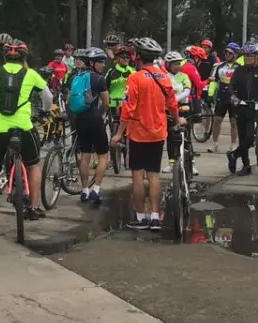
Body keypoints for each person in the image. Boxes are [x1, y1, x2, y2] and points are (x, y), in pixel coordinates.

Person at [0, 39, 51, 223]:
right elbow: (47, 97)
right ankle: (33, 207)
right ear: (24, 58)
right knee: (33, 164)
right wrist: (44, 112)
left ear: (4, 57)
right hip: (23, 126)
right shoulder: (31, 74)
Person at [111, 37, 180, 229]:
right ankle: (156, 217)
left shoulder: (135, 77)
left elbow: (128, 109)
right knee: (154, 175)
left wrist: (118, 134)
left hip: (139, 133)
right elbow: (172, 103)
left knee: (137, 175)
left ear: (139, 56)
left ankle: (141, 218)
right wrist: (177, 119)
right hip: (158, 132)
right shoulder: (164, 76)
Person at [66, 47, 110, 204]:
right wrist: (102, 114)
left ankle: (84, 190)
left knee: (84, 156)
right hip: (95, 120)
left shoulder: (76, 77)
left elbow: (69, 100)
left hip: (80, 119)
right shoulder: (99, 79)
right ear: (92, 63)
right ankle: (96, 190)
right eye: (100, 62)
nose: (103, 65)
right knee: (103, 156)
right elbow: (106, 102)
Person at [226, 43, 258, 176]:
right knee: (243, 137)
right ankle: (246, 166)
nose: (248, 58)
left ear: (257, 56)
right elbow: (231, 86)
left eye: (251, 55)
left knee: (250, 136)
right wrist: (233, 97)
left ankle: (234, 155)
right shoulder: (239, 70)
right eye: (246, 55)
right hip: (242, 106)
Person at [208, 43, 241, 152]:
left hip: (235, 97)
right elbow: (213, 81)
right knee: (217, 120)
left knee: (233, 121)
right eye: (226, 52)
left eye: (230, 53)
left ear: (235, 54)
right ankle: (215, 144)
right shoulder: (219, 66)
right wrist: (210, 94)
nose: (227, 54)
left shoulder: (240, 68)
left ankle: (233, 144)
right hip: (222, 96)